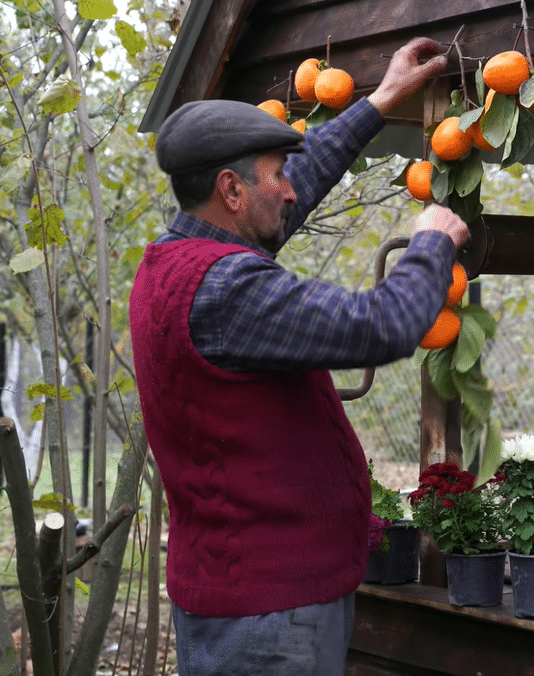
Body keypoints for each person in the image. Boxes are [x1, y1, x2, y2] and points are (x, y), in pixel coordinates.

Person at [129, 37, 469, 675]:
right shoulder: (229, 289)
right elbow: (383, 326)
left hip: (252, 599)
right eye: (275, 174)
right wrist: (430, 245)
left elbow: (292, 189)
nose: (291, 190)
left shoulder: (179, 261)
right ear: (231, 191)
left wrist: (379, 102)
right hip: (268, 616)